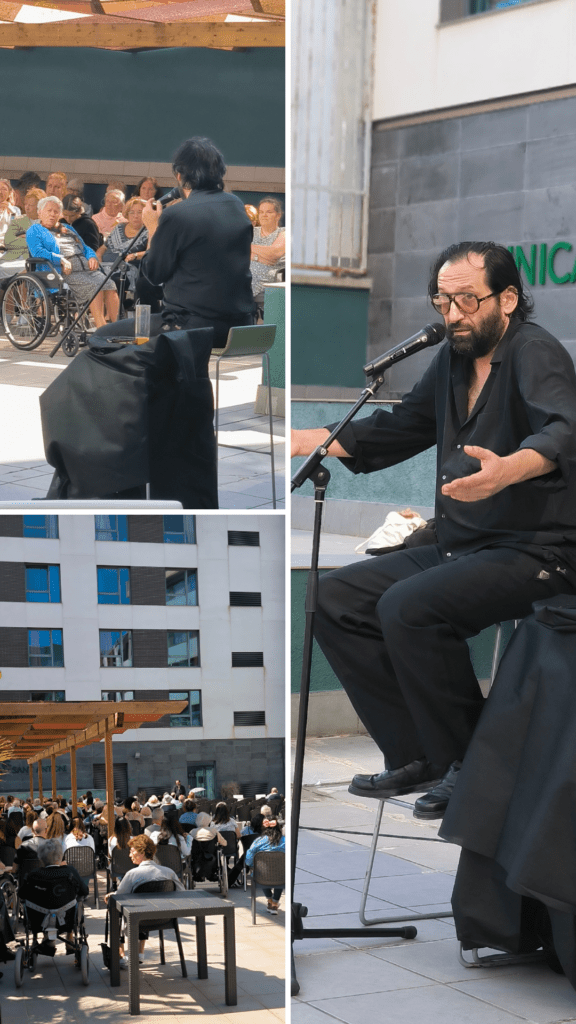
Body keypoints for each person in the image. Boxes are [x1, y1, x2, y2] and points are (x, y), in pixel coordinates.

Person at [291, 240, 576, 820]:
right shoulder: (451, 359)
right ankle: (418, 752)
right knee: (334, 599)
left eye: (467, 300)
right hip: (463, 544)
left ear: (508, 297)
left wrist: (504, 472)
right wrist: (314, 437)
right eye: (443, 300)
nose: (452, 315)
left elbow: (563, 433)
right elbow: (403, 426)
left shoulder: (535, 353)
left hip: (539, 549)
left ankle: (474, 766)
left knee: (410, 607)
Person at [93, 136, 255, 346]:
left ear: (179, 176)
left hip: (191, 326)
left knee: (100, 336)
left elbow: (153, 273)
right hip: (241, 325)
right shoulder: (236, 205)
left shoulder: (177, 214)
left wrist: (153, 227)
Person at [27, 196, 119, 328]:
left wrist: (92, 256)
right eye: (49, 211)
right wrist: (60, 259)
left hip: (86, 268)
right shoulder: (34, 230)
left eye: (56, 211)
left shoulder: (66, 227)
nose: (53, 214)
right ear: (39, 212)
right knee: (96, 286)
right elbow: (38, 252)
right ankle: (102, 328)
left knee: (110, 284)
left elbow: (84, 246)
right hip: (63, 272)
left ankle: (117, 328)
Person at [103, 834, 183, 968]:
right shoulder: (168, 872)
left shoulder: (133, 874)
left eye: (132, 851)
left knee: (116, 908)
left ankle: (121, 955)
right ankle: (140, 953)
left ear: (141, 852)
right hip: (165, 919)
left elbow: (120, 896)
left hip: (138, 920)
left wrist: (112, 895)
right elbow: (181, 892)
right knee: (144, 904)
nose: (129, 855)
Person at [245, 818, 285, 914]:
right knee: (280, 871)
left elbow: (249, 858)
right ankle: (274, 903)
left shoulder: (259, 841)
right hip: (282, 877)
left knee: (261, 870)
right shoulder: (286, 841)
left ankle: (270, 901)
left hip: (262, 877)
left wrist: (251, 865)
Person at [250, 196, 285, 302]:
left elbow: (273, 254)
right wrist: (260, 256)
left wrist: (248, 249)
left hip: (268, 282)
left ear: (278, 215)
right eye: (261, 212)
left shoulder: (284, 233)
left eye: (269, 212)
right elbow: (235, 251)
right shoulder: (251, 231)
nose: (264, 215)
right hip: (243, 279)